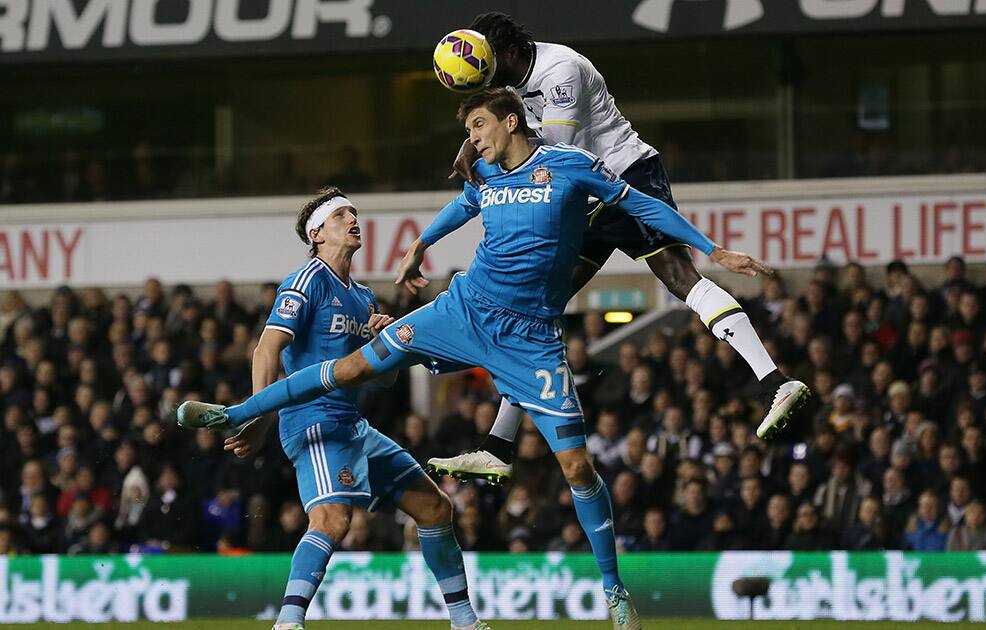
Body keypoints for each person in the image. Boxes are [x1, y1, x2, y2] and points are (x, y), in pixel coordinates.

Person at [178, 88, 770, 629]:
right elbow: (462, 206)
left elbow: (643, 207)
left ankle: (614, 593)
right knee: (357, 369)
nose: (473, 139)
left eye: (481, 125)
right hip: (462, 310)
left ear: (512, 120)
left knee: (575, 469)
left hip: (531, 338)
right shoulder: (481, 172)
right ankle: (235, 414)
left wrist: (711, 249)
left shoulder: (568, 166)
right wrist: (421, 244)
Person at [429, 13, 809, 483]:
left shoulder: (560, 70)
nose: (485, 78)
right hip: (582, 196)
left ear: (506, 53)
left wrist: (486, 148)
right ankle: (498, 446)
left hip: (626, 175)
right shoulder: (509, 89)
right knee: (538, 308)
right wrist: (479, 136)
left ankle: (776, 381)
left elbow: (555, 153)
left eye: (487, 67)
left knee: (681, 280)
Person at [184, 188, 489, 630]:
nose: (353, 219)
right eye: (341, 214)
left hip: (353, 426)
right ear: (317, 232)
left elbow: (382, 378)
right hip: (312, 421)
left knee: (436, 507)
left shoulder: (364, 298)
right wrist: (257, 414)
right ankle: (287, 623)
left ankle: (465, 622)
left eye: (354, 212)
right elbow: (267, 349)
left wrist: (383, 344)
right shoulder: (308, 278)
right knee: (331, 518)